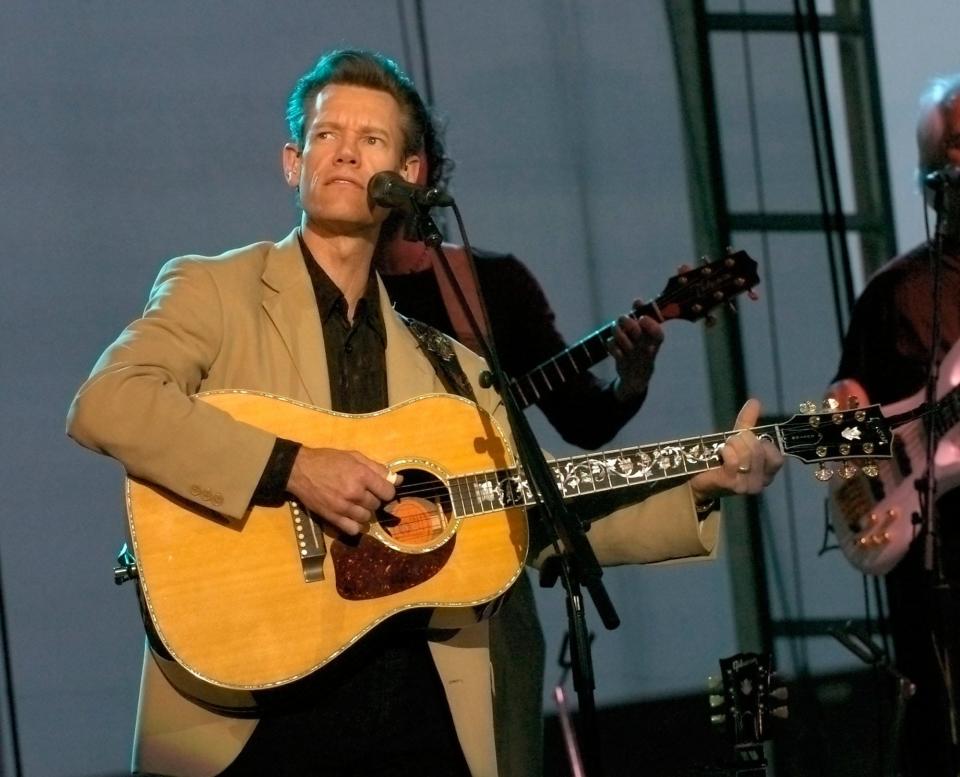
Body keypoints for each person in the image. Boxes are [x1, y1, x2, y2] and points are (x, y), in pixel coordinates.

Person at [67, 48, 783, 777]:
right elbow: (108, 402)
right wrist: (292, 466)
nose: (345, 152)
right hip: (252, 702)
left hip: (420, 704)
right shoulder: (215, 290)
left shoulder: (450, 364)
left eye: (371, 139)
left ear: (409, 173)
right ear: (293, 161)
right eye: (325, 135)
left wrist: (701, 482)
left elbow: (529, 518)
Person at [376, 117, 665, 776]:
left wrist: (632, 378)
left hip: (485, 591)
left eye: (379, 146)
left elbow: (581, 419)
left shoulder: (489, 284)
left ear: (418, 167)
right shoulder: (322, 298)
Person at [828, 73, 960, 777]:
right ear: (934, 177)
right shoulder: (896, 294)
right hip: (937, 585)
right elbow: (831, 435)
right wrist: (858, 457)